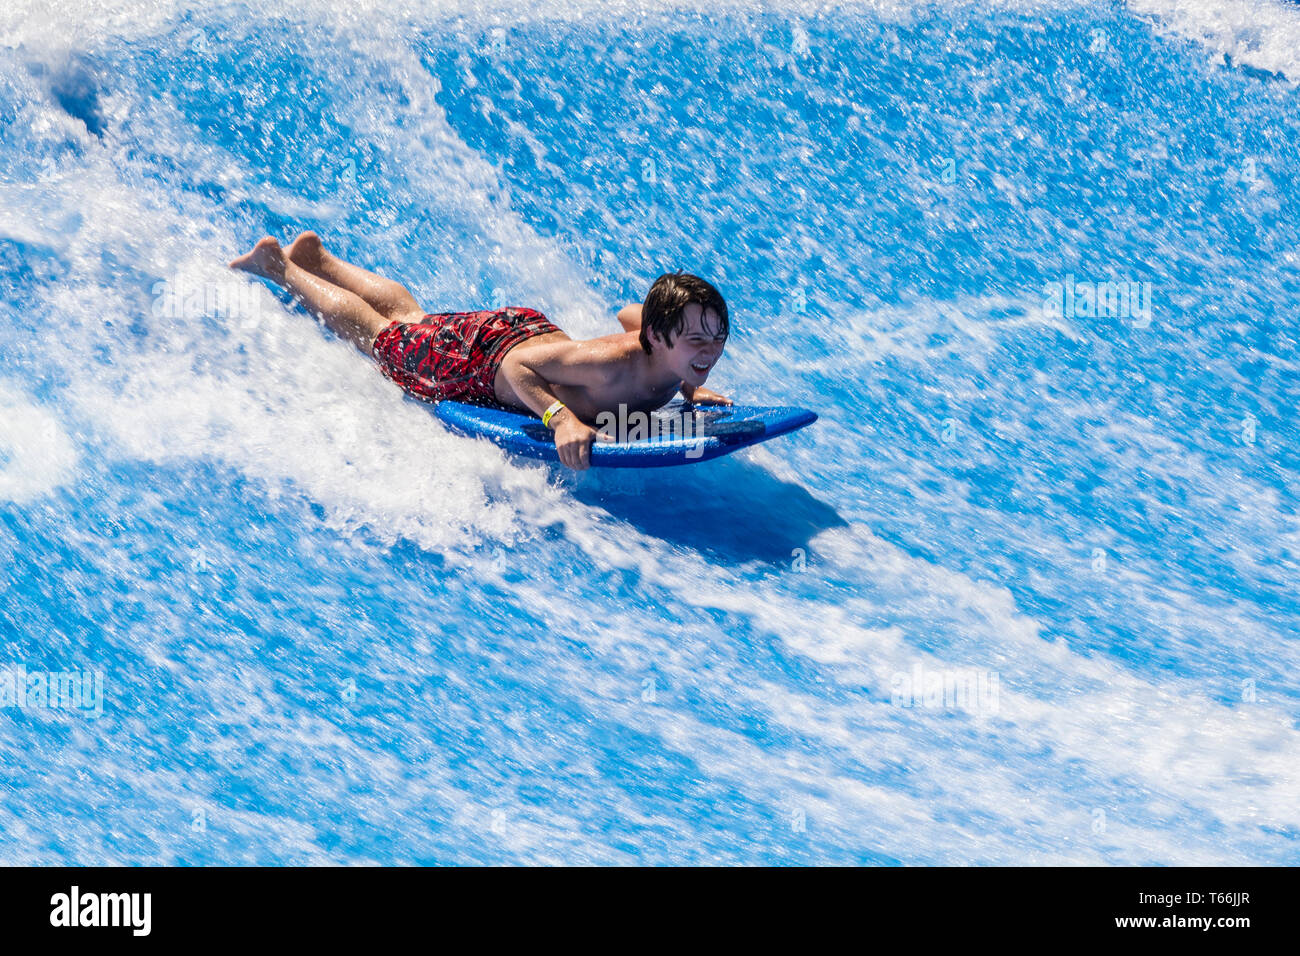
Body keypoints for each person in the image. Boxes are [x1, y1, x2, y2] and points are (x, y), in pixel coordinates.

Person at [229, 232, 731, 469]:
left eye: (717, 338)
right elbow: (517, 369)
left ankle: (320, 258)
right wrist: (560, 419)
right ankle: (281, 267)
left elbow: (629, 313)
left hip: (530, 330)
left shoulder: (662, 347)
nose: (710, 349)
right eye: (695, 340)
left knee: (415, 319)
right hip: (491, 356)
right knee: (383, 338)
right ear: (659, 338)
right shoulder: (611, 365)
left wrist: (689, 380)